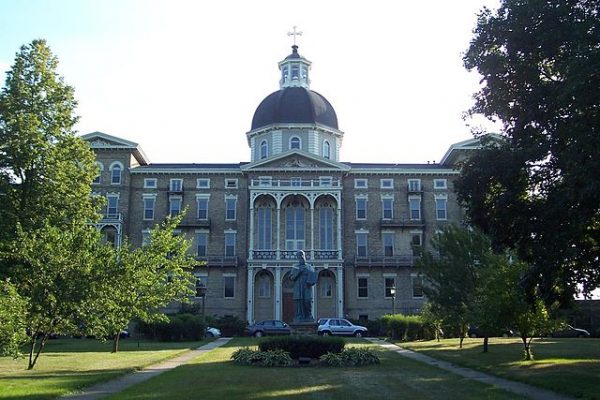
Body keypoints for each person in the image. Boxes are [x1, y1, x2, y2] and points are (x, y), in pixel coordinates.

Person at [289, 250, 317, 321]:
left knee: (307, 301)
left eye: (302, 255)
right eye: (299, 256)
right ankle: (299, 317)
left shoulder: (310, 267)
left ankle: (309, 316)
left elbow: (313, 277)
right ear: (298, 258)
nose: (301, 257)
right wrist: (298, 272)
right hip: (298, 287)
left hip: (307, 287)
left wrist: (312, 281)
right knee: (299, 302)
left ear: (305, 256)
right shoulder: (295, 267)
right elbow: (291, 278)